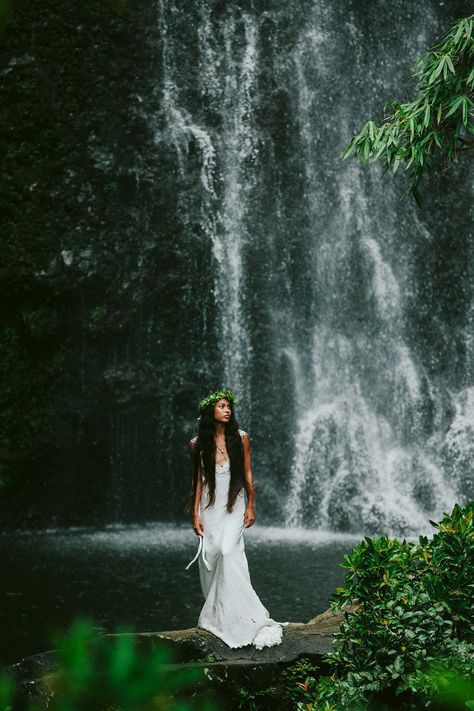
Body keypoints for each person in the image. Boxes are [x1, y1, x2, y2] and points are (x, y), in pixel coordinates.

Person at [185, 388, 284, 649]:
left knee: (229, 552)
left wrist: (251, 505)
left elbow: (248, 473)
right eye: (222, 406)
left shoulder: (241, 439)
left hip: (234, 504)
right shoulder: (197, 444)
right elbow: (196, 481)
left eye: (229, 406)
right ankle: (220, 611)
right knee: (213, 555)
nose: (227, 410)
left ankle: (244, 617)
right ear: (210, 412)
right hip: (210, 506)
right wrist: (195, 514)